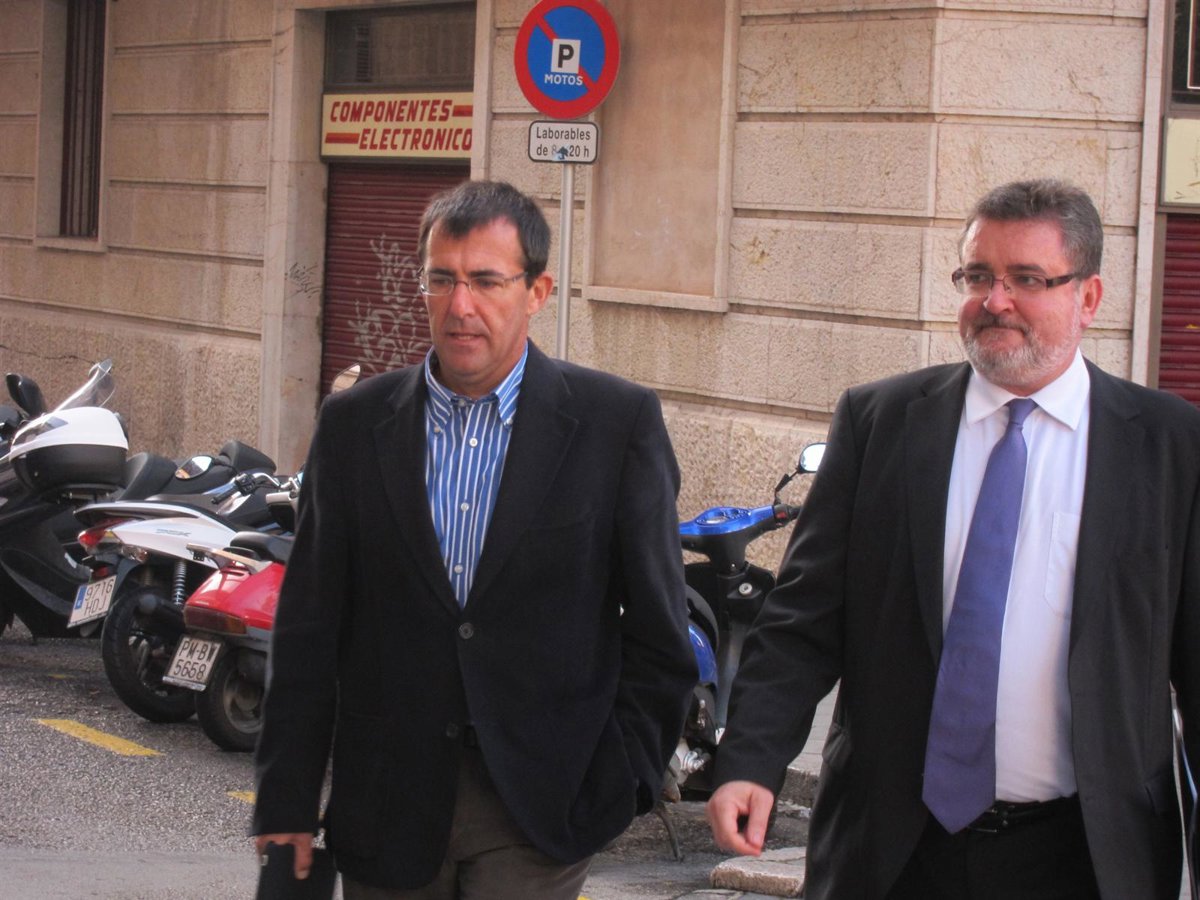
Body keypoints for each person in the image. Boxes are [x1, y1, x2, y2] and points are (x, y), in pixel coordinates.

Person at [706, 178, 1200, 899]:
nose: (995, 301)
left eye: (1026, 278)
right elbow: (802, 622)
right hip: (894, 850)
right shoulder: (881, 423)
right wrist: (750, 760)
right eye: (977, 276)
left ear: (1088, 298)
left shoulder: (1168, 444)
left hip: (1089, 857)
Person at [252, 180, 696, 899]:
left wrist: (624, 779)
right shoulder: (355, 425)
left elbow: (659, 633)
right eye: (442, 279)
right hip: (386, 806)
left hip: (541, 810)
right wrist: (287, 797)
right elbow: (308, 626)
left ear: (537, 291)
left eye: (486, 281)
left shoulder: (615, 424)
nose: (460, 305)